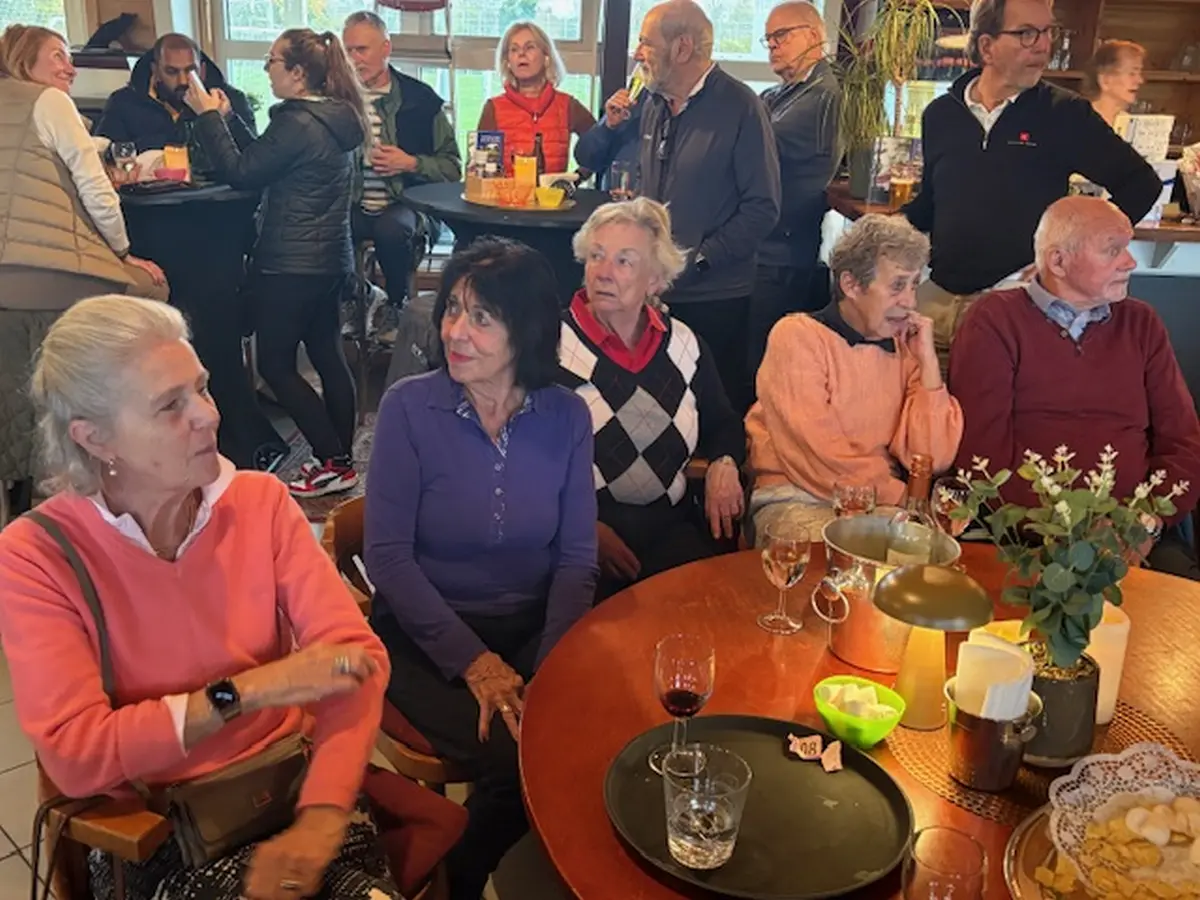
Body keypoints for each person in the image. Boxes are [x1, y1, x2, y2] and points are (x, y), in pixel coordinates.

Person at [0, 295, 414, 900]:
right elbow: (76, 755)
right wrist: (248, 691)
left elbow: (358, 658)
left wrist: (324, 814)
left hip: (290, 788)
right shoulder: (38, 556)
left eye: (202, 388)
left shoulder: (259, 503)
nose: (208, 416)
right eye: (171, 405)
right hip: (159, 829)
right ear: (96, 439)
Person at [363, 238, 597, 900]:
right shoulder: (410, 408)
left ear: (526, 330)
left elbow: (577, 558)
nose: (455, 332)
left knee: (589, 726)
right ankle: (454, 885)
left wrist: (549, 667)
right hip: (425, 632)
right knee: (521, 756)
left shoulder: (567, 415)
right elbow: (386, 558)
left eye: (481, 317)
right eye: (452, 310)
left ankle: (476, 870)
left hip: (531, 623)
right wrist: (475, 663)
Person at [904, 0, 1161, 374]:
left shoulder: (1064, 113)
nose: (1043, 45)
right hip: (936, 300)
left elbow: (1141, 184)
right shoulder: (941, 115)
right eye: (1027, 33)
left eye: (1047, 32)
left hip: (1014, 307)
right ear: (987, 47)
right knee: (916, 404)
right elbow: (931, 203)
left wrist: (1076, 250)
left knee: (986, 411)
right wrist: (884, 233)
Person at [950, 196, 1200, 580]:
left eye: (1128, 247)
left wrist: (1144, 523)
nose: (1130, 262)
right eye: (1113, 250)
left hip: (1134, 534)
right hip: (1025, 537)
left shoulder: (1141, 324)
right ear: (1058, 261)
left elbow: (1183, 441)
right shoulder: (995, 321)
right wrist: (1070, 534)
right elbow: (981, 457)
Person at [186, 29, 365, 498]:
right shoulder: (334, 116)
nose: (267, 69)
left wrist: (207, 117)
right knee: (328, 357)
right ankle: (341, 460)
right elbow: (267, 161)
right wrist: (229, 120)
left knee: (276, 366)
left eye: (272, 61)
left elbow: (241, 173)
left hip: (290, 264)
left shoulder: (298, 122)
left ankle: (331, 460)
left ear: (298, 73)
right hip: (329, 259)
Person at [0, 24, 167, 518]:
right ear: (24, 59)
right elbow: (96, 189)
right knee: (152, 293)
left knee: (15, 385)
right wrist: (122, 251)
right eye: (57, 55)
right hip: (49, 275)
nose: (69, 66)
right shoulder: (48, 102)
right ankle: (132, 454)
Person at [560, 198, 745, 597]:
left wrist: (725, 462)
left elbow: (724, 423)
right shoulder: (551, 346)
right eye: (596, 256)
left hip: (668, 529)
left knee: (713, 610)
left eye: (624, 261)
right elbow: (520, 456)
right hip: (575, 536)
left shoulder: (685, 346)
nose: (604, 272)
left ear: (655, 280)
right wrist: (580, 528)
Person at [746, 214, 964, 541]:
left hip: (880, 506)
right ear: (851, 285)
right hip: (797, 497)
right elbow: (817, 455)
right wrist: (902, 497)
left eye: (914, 284)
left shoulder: (906, 350)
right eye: (897, 286)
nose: (910, 302)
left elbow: (931, 458)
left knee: (923, 561)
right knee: (863, 556)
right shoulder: (797, 337)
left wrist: (929, 362)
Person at [634, 0, 781, 414]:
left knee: (712, 416)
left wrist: (699, 260)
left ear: (682, 48)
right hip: (653, 295)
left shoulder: (741, 106)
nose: (637, 52)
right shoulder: (654, 103)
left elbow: (763, 208)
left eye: (646, 42)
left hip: (715, 300)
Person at [343, 11, 460, 312]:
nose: (354, 59)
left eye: (362, 50)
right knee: (325, 228)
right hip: (351, 204)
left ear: (386, 48)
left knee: (392, 230)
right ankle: (353, 300)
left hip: (406, 205)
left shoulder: (420, 100)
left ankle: (396, 304)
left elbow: (452, 169)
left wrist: (411, 163)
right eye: (348, 51)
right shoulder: (337, 100)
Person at [750, 0, 840, 381]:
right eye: (768, 38)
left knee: (761, 367)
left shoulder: (824, 98)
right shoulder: (780, 93)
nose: (773, 44)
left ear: (814, 36)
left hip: (782, 256)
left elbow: (751, 145)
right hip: (762, 249)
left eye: (782, 35)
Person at [96, 33, 257, 154]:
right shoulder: (124, 103)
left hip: (216, 189)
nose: (183, 81)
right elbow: (104, 156)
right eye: (171, 72)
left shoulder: (231, 101)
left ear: (202, 71)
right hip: (148, 188)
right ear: (155, 70)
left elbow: (250, 162)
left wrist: (217, 117)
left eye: (191, 71)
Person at [477, 21, 596, 174]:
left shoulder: (567, 105)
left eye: (530, 47)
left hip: (552, 191)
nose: (521, 54)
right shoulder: (493, 108)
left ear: (546, 57)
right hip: (507, 190)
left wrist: (574, 179)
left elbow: (598, 148)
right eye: (514, 49)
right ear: (507, 62)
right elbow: (480, 169)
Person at [575, 80, 644, 191]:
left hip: (650, 199)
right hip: (613, 197)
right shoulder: (632, 101)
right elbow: (587, 159)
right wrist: (608, 125)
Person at [1084, 39, 1146, 128]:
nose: (1140, 80)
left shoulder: (1134, 126)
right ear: (1105, 80)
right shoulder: (1076, 120)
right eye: (1132, 73)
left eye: (1139, 73)